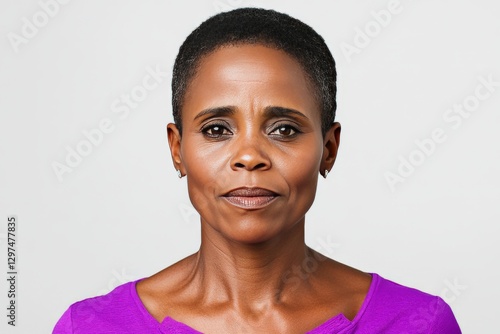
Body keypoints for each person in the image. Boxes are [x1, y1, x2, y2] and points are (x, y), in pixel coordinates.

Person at [53, 8, 461, 333]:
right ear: (177, 150)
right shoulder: (91, 327)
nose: (249, 156)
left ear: (328, 149)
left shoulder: (417, 323)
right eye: (216, 129)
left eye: (284, 129)